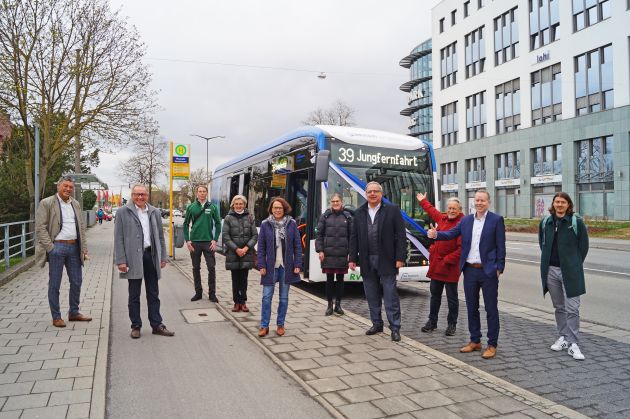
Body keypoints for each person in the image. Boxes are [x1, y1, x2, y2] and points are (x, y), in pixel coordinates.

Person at [427, 189, 506, 359]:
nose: (479, 203)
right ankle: (475, 340)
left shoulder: (496, 220)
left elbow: (501, 245)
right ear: (473, 202)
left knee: (491, 309)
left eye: (482, 200)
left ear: (488, 202)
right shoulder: (466, 220)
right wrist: (436, 234)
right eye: (477, 200)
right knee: (471, 307)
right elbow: (451, 234)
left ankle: (492, 344)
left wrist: (500, 267)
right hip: (469, 270)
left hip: (488, 271)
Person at [349, 181, 406, 342]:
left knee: (390, 295)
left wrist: (400, 258)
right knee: (371, 295)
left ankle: (395, 328)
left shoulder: (392, 210)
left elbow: (401, 235)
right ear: (365, 194)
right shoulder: (359, 212)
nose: (372, 194)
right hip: (367, 260)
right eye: (369, 192)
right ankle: (376, 323)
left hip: (387, 259)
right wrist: (352, 258)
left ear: (381, 194)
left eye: (376, 191)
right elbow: (354, 237)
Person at [114, 184, 174, 339]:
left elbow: (160, 236)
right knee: (134, 294)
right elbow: (118, 237)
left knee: (153, 292)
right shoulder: (122, 212)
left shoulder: (154, 212)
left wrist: (162, 257)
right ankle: (136, 325)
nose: (140, 197)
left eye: (143, 194)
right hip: (133, 258)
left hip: (150, 255)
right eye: (137, 194)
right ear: (132, 195)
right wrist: (120, 260)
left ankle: (156, 324)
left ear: (147, 195)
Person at [35, 175, 92, 327]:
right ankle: (56, 316)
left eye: (70, 187)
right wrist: (51, 248)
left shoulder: (76, 204)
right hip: (57, 247)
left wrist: (84, 249)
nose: (68, 189)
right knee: (55, 284)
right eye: (65, 186)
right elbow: (40, 228)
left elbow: (81, 228)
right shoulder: (47, 203)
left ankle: (74, 312)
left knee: (77, 281)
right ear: (58, 186)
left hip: (74, 247)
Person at [539, 192, 589, 360]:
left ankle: (573, 342)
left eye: (563, 202)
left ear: (568, 205)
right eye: (557, 202)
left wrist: (573, 264)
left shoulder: (576, 223)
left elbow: (583, 247)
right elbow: (542, 244)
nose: (559, 205)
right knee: (559, 307)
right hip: (551, 270)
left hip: (571, 272)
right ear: (553, 204)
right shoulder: (546, 222)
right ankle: (563, 337)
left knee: (572, 308)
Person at [416, 192, 463, 336]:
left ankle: (452, 325)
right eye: (449, 208)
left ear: (460, 209)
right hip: (437, 266)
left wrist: (447, 260)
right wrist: (423, 200)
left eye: (454, 208)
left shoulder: (462, 224)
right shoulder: (442, 218)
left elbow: (461, 249)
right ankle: (432, 322)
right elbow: (432, 211)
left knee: (452, 298)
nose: (451, 211)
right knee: (434, 296)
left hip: (449, 267)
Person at [256, 197, 302, 337]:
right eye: (275, 208)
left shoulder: (292, 223)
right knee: (266, 297)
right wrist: (261, 265)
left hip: (286, 266)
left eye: (280, 208)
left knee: (283, 298)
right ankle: (264, 326)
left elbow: (297, 246)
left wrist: (297, 264)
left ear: (284, 209)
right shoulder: (265, 224)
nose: (277, 210)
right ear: (271, 209)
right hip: (270, 267)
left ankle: (280, 324)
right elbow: (261, 247)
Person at [315, 193, 353, 316]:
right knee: (329, 280)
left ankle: (338, 305)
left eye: (337, 201)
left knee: (341, 280)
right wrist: (320, 250)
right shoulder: (325, 216)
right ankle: (329, 306)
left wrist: (351, 254)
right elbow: (319, 235)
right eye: (333, 201)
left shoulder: (348, 216)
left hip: (342, 254)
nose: (335, 203)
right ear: (330, 203)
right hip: (328, 253)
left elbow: (352, 237)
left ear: (342, 202)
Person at [183, 185, 222, 302]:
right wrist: (187, 240)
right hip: (194, 242)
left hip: (208, 243)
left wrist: (215, 239)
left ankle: (212, 294)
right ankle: (198, 293)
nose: (202, 193)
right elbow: (185, 224)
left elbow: (218, 224)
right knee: (196, 268)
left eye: (204, 191)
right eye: (200, 191)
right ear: (197, 193)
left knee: (211, 268)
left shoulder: (213, 207)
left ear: (207, 193)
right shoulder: (191, 207)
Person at [222, 195, 258, 313]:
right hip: (233, 253)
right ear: (233, 205)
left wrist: (246, 248)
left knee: (244, 279)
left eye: (241, 203)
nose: (238, 206)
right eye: (236, 204)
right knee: (235, 279)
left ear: (244, 204)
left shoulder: (250, 217)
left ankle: (243, 302)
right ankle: (236, 302)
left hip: (246, 253)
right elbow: (226, 236)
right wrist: (237, 249)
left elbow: (254, 236)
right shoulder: (228, 218)